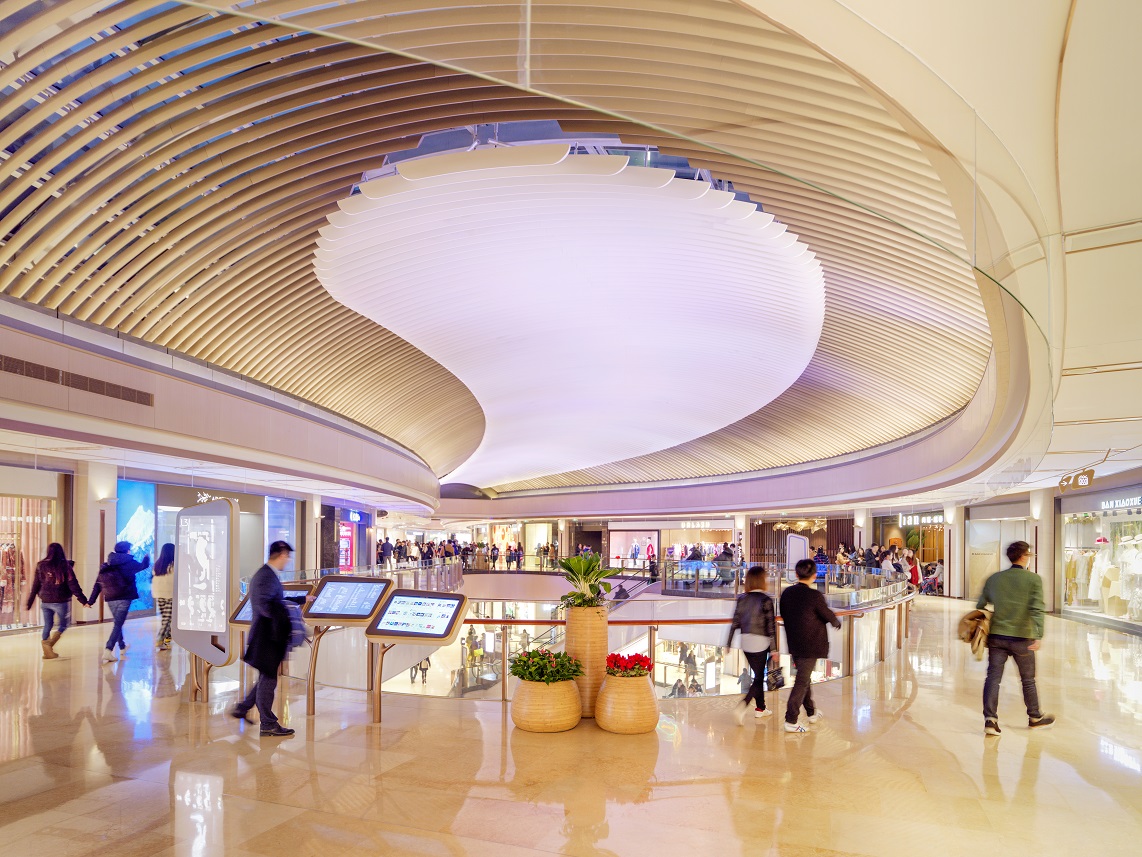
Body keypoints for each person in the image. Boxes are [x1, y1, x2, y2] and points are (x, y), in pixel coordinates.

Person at [230, 541, 308, 738]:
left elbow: (275, 600)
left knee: (266, 676)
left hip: (269, 634)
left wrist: (301, 600)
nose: (288, 560)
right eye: (287, 556)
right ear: (281, 554)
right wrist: (286, 618)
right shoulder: (265, 576)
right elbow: (265, 606)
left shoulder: (267, 574)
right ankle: (268, 723)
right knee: (269, 679)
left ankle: (242, 708)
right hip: (268, 636)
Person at [977, 541, 1055, 735]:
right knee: (1028, 679)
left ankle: (990, 720)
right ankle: (1035, 716)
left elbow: (981, 604)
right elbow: (1037, 609)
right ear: (1023, 556)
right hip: (1023, 637)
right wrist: (1038, 635)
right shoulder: (1033, 580)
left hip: (997, 636)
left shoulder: (995, 578)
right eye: (1028, 555)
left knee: (993, 678)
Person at [779, 559, 841, 733]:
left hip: (794, 642)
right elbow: (827, 615)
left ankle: (811, 712)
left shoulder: (787, 593)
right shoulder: (815, 596)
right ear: (814, 576)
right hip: (811, 644)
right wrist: (836, 622)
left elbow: (784, 613)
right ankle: (791, 720)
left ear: (796, 574)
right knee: (801, 681)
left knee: (804, 678)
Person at [727, 565, 777, 723]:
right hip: (761, 643)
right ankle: (744, 704)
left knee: (758, 674)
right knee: (759, 677)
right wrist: (774, 649)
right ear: (762, 580)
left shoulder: (742, 598)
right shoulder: (766, 600)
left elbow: (735, 623)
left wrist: (728, 643)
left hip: (745, 642)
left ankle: (760, 708)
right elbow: (771, 626)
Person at [87, 541, 150, 663]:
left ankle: (122, 646)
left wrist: (91, 601)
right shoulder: (130, 563)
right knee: (118, 624)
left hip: (110, 598)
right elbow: (143, 566)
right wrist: (146, 558)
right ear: (127, 551)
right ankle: (108, 650)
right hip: (124, 598)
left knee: (118, 623)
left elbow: (98, 584)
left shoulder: (107, 564)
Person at [26, 543, 87, 660]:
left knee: (48, 625)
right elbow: (73, 585)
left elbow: (36, 585)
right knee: (64, 624)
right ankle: (49, 645)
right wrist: (83, 600)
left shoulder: (41, 565)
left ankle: (47, 651)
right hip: (60, 601)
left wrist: (30, 601)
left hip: (45, 601)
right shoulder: (65, 566)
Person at [152, 542, 175, 650]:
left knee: (165, 618)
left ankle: (166, 641)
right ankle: (160, 638)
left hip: (158, 593)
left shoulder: (158, 564)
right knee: (167, 618)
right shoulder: (174, 565)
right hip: (170, 593)